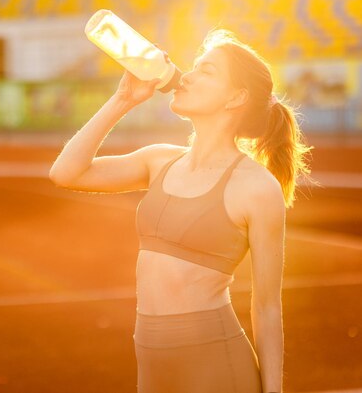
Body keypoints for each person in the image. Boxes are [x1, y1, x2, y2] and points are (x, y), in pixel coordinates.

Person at [49, 29, 313, 393]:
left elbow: (267, 308)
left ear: (236, 97)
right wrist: (123, 99)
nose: (186, 76)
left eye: (206, 71)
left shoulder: (256, 187)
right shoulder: (159, 160)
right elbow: (66, 173)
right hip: (151, 360)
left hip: (214, 363)